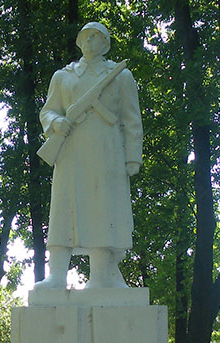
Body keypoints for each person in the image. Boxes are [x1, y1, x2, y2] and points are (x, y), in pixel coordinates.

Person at [34, 21, 143, 290]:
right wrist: (56, 123)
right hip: (70, 151)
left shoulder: (120, 76)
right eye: (85, 36)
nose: (89, 41)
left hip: (108, 153)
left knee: (103, 210)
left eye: (96, 37)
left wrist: (132, 157)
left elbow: (132, 120)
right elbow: (48, 110)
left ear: (105, 42)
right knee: (63, 211)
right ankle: (57, 275)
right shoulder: (63, 76)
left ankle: (100, 278)